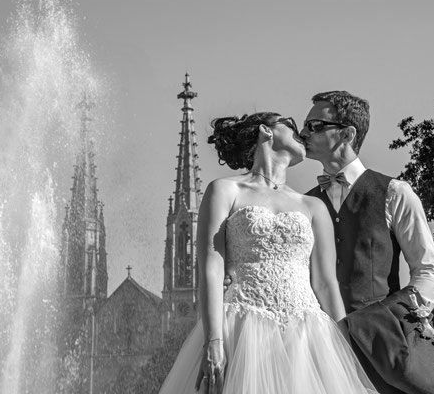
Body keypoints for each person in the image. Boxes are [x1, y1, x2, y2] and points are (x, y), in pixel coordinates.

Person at [159, 112, 378, 394]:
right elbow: (211, 268)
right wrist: (213, 340)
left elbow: (325, 284)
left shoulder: (313, 206)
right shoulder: (225, 190)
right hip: (242, 328)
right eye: (292, 125)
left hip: (305, 333)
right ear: (266, 131)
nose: (302, 133)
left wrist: (345, 353)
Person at [300, 91, 434, 393]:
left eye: (315, 126)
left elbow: (428, 270)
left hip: (381, 348)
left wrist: (399, 319)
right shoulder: (303, 205)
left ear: (347, 134)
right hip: (318, 347)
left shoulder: (395, 192)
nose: (303, 133)